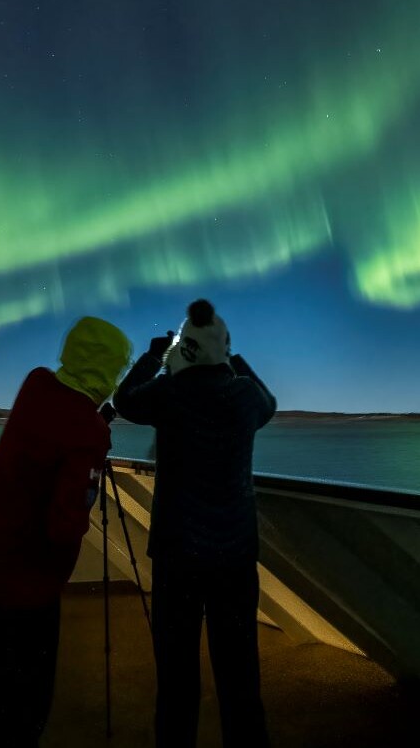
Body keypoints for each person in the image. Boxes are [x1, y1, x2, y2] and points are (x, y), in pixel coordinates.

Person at [0, 316, 134, 748]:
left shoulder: (37, 385)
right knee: (26, 697)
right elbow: (64, 526)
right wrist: (95, 438)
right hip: (26, 586)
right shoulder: (87, 431)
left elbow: (58, 425)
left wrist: (93, 419)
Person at [113, 299, 275, 748]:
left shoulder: (169, 393)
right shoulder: (243, 396)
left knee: (177, 676)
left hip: (177, 555)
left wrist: (155, 357)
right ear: (222, 347)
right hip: (235, 556)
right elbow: (270, 402)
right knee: (240, 675)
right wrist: (232, 354)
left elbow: (124, 400)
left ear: (183, 351)